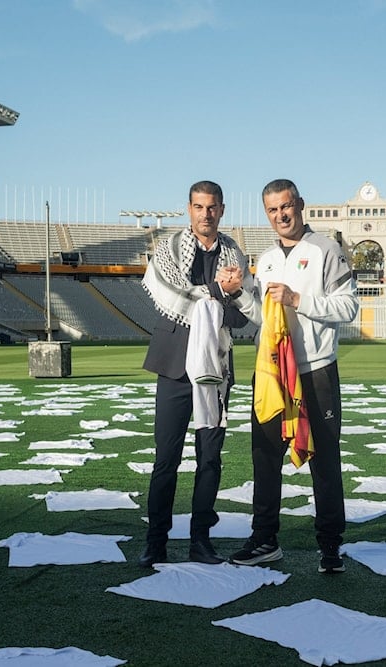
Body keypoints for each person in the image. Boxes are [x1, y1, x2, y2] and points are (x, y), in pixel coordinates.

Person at [230, 178, 359, 573]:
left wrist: (298, 299)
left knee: (324, 459)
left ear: (300, 205)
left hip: (315, 370)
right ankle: (265, 539)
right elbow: (264, 317)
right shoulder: (266, 259)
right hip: (272, 371)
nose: (280, 215)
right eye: (272, 210)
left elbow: (349, 306)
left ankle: (331, 545)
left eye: (286, 206)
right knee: (265, 458)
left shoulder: (326, 250)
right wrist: (239, 293)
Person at [138, 180, 258, 567]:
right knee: (166, 458)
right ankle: (155, 541)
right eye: (199, 207)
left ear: (222, 210)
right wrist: (217, 292)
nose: (206, 214)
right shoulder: (169, 249)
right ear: (188, 209)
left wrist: (229, 294)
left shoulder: (235, 254)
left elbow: (242, 313)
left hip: (216, 367)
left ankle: (200, 540)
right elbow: (169, 297)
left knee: (210, 458)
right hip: (174, 364)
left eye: (213, 207)